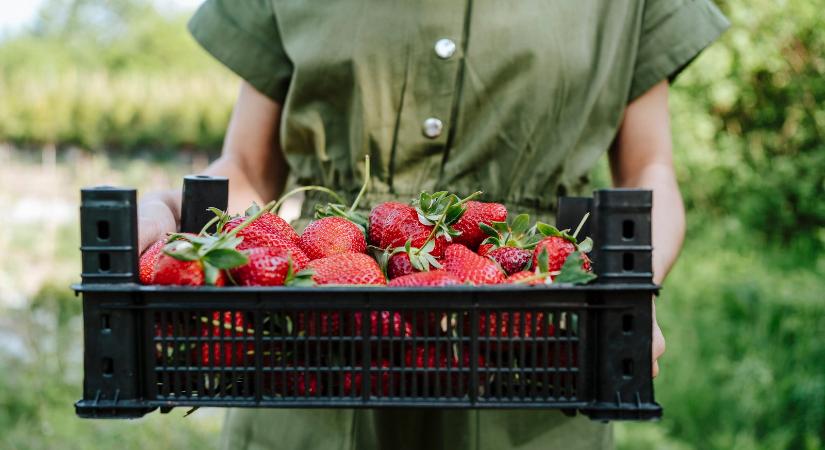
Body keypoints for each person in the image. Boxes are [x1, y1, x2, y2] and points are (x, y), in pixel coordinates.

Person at [137, 1, 729, 448]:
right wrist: (192, 233)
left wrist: (629, 282)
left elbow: (649, 166)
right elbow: (246, 165)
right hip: (312, 348)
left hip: (536, 346)